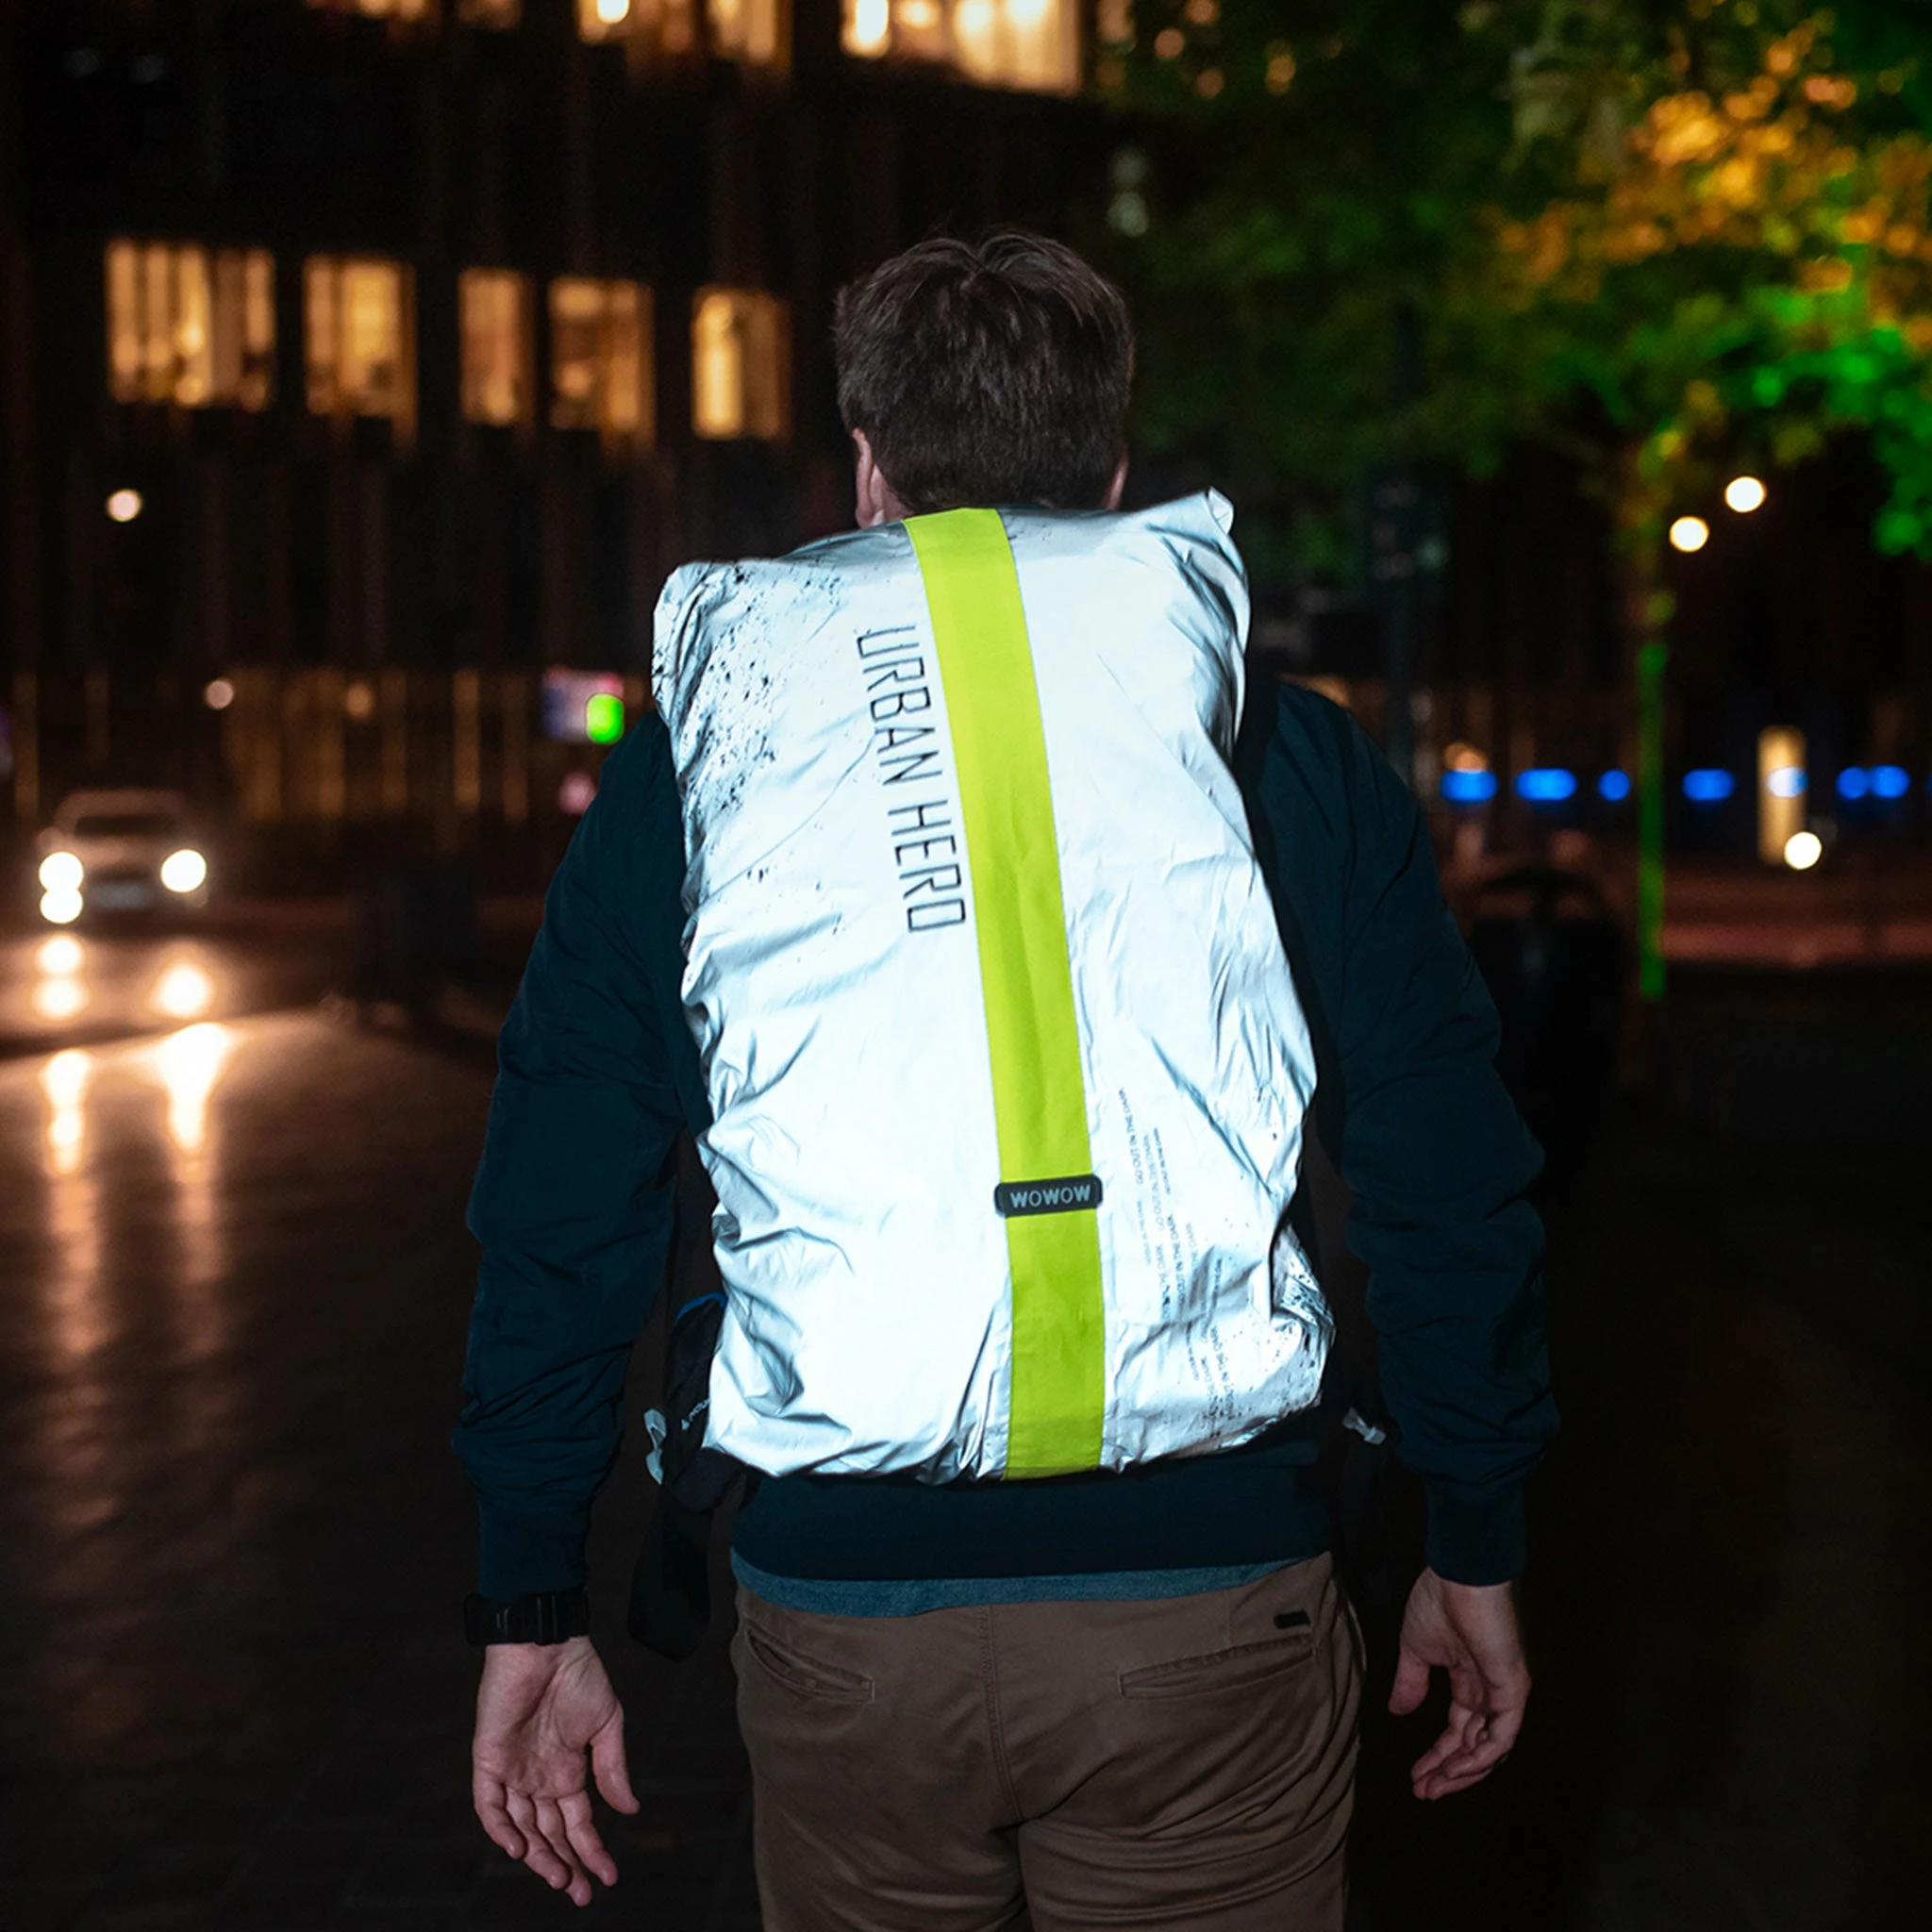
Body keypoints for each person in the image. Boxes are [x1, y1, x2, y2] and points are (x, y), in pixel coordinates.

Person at [456, 231, 1556, 1929]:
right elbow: (1443, 1169)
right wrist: (1472, 1531)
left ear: (868, 465)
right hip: (1213, 1602)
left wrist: (533, 1594)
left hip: (847, 1615)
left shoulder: (709, 761)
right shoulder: (1280, 750)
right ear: (1112, 475)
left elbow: (564, 1193)